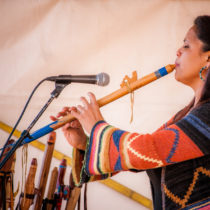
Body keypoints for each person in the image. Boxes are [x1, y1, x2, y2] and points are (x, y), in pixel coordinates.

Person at [51, 15, 210, 210]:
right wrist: (85, 142)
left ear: (208, 57)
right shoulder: (185, 116)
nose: (177, 51)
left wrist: (97, 128)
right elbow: (143, 159)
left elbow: (150, 150)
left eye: (186, 46)